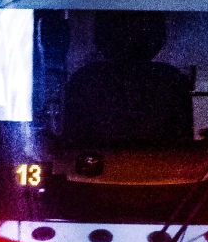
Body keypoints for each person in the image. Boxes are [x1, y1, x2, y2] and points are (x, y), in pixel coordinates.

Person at [61, 13, 194, 149]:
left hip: (100, 166)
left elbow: (71, 144)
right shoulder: (172, 79)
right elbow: (183, 145)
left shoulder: (85, 79)